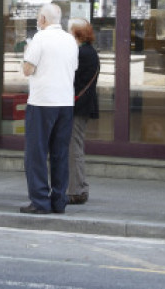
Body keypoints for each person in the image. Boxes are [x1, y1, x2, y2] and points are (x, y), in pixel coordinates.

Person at [20, 3, 79, 214]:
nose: (37, 20)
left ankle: (39, 201)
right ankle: (58, 200)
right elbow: (73, 68)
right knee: (60, 153)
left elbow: (28, 69)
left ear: (43, 19)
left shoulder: (40, 38)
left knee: (36, 153)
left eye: (38, 17)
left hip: (42, 102)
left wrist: (26, 52)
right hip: (65, 102)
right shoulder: (70, 40)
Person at [66, 18, 99, 205]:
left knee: (73, 148)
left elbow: (72, 78)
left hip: (78, 106)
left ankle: (77, 190)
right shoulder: (88, 51)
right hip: (82, 105)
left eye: (69, 30)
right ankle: (77, 187)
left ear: (75, 33)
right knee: (74, 146)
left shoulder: (82, 53)